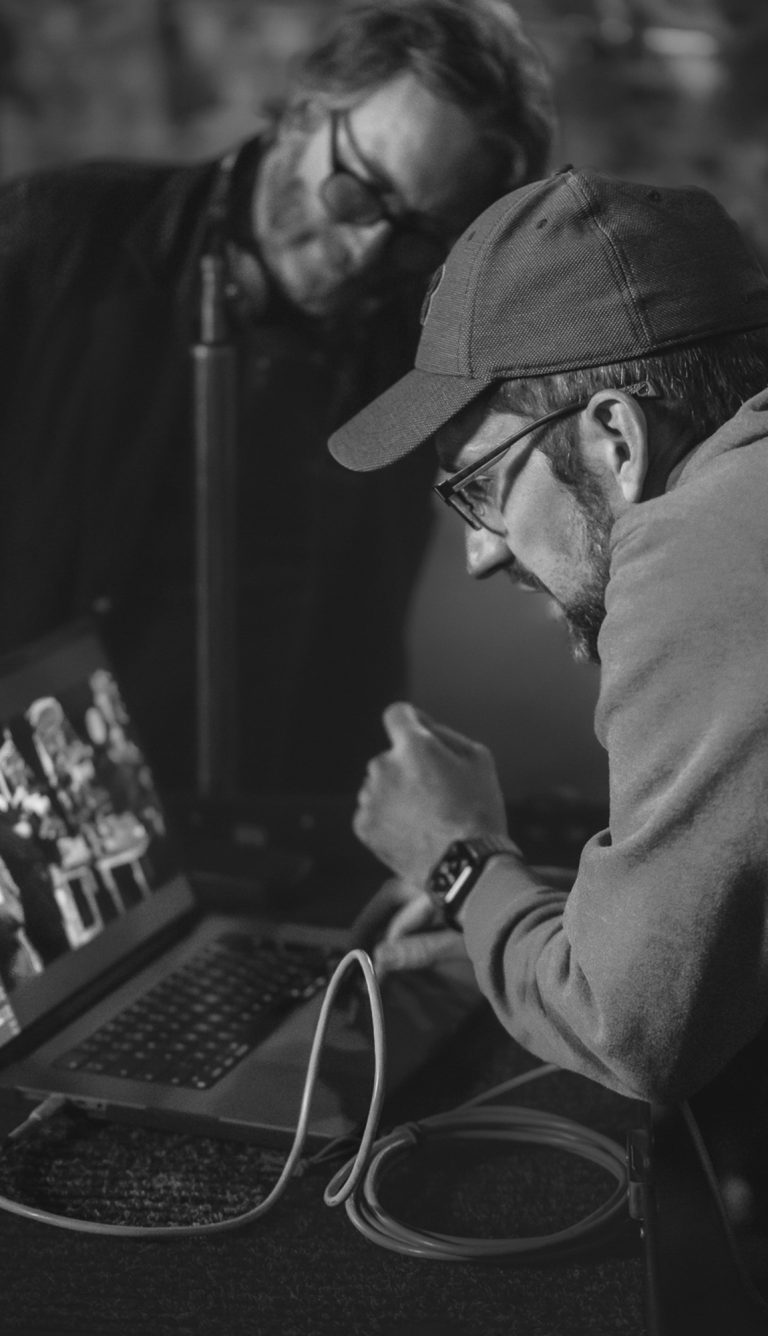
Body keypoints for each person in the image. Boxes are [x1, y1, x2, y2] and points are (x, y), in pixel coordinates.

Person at [329, 167, 768, 1225]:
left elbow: (634, 1028)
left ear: (615, 436)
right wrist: (571, 911)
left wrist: (460, 857)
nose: (479, 553)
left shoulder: (708, 538)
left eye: (480, 484)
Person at [0, 0, 554, 797]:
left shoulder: (415, 342)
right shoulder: (52, 239)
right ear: (300, 117)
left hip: (276, 830)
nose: (368, 249)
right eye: (358, 194)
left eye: (419, 232)